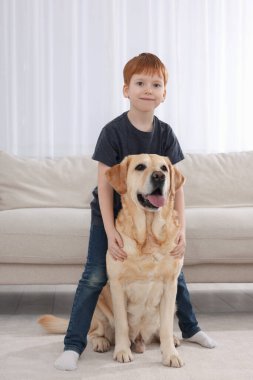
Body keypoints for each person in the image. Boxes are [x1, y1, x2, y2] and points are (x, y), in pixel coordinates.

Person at [55, 52, 216, 371]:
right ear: (125, 89)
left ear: (164, 93)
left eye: (156, 84)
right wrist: (111, 232)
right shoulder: (113, 131)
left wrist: (181, 227)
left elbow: (176, 187)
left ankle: (191, 328)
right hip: (110, 216)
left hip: (157, 218)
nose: (148, 89)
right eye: (140, 83)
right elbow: (104, 185)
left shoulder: (166, 133)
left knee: (174, 274)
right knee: (95, 275)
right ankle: (74, 344)